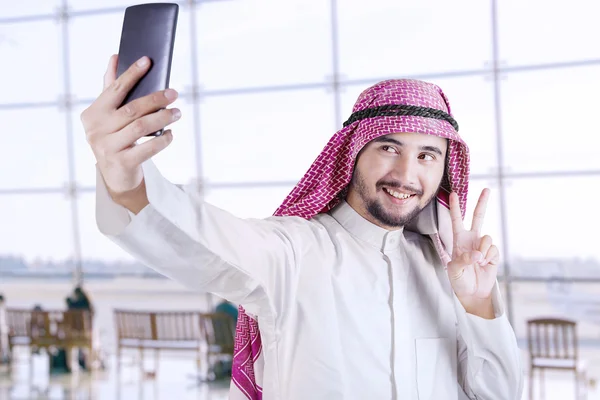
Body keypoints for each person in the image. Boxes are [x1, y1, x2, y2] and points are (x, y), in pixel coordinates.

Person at [82, 55, 524, 399]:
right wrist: (125, 177)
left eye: (428, 155)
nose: (407, 174)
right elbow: (196, 234)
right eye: (389, 148)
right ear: (351, 154)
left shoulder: (451, 274)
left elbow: (500, 394)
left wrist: (479, 303)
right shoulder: (294, 252)